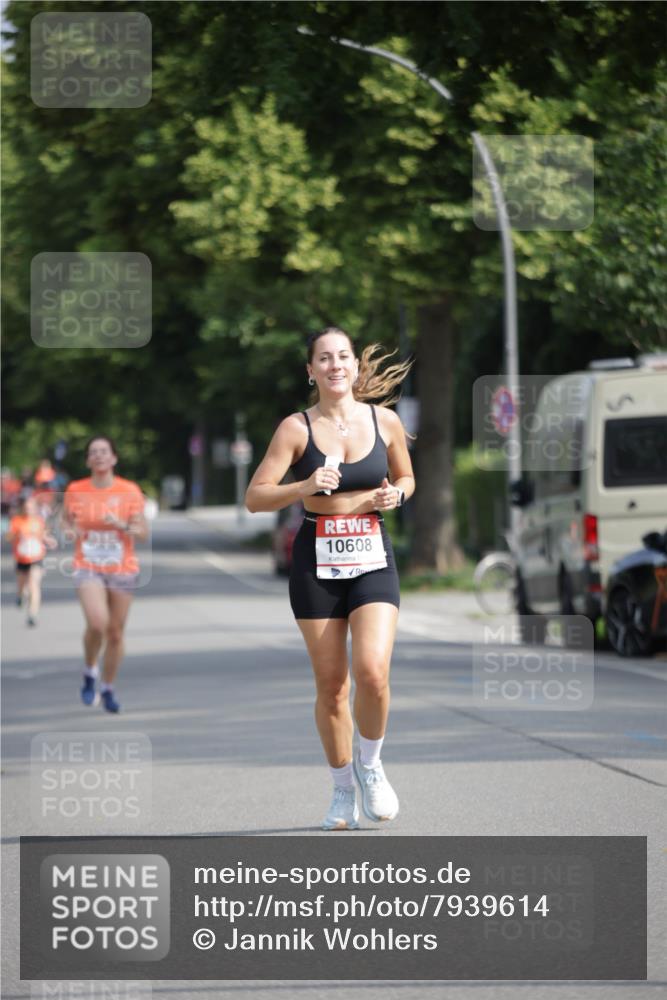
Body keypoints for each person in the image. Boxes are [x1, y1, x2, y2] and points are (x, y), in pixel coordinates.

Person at [246, 327, 415, 830]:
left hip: (372, 553)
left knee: (373, 672)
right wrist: (304, 484)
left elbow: (406, 478)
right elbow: (256, 497)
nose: (336, 364)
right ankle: (342, 790)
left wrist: (397, 497)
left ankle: (371, 765)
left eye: (343, 356)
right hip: (316, 558)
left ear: (355, 368)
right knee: (332, 685)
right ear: (311, 370)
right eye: (325, 358)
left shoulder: (385, 421)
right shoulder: (295, 429)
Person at [62, 436, 148, 713]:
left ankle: (107, 687)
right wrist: (69, 531)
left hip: (122, 568)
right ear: (88, 460)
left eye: (104, 451)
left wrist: (121, 524)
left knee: (115, 634)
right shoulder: (75, 489)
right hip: (88, 565)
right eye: (93, 452)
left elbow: (143, 533)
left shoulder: (130, 490)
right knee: (98, 624)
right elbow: (65, 522)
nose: (99, 456)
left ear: (114, 458)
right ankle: (90, 670)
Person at [6, 495, 56, 626]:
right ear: (22, 508)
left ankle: (32, 614)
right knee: (22, 586)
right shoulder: (16, 521)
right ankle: (20, 596)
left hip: (36, 558)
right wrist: (16, 535)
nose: (28, 510)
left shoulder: (38, 521)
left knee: (34, 585)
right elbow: (8, 538)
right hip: (21, 558)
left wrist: (49, 540)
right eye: (26, 507)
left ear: (34, 509)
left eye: (31, 507)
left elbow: (43, 535)